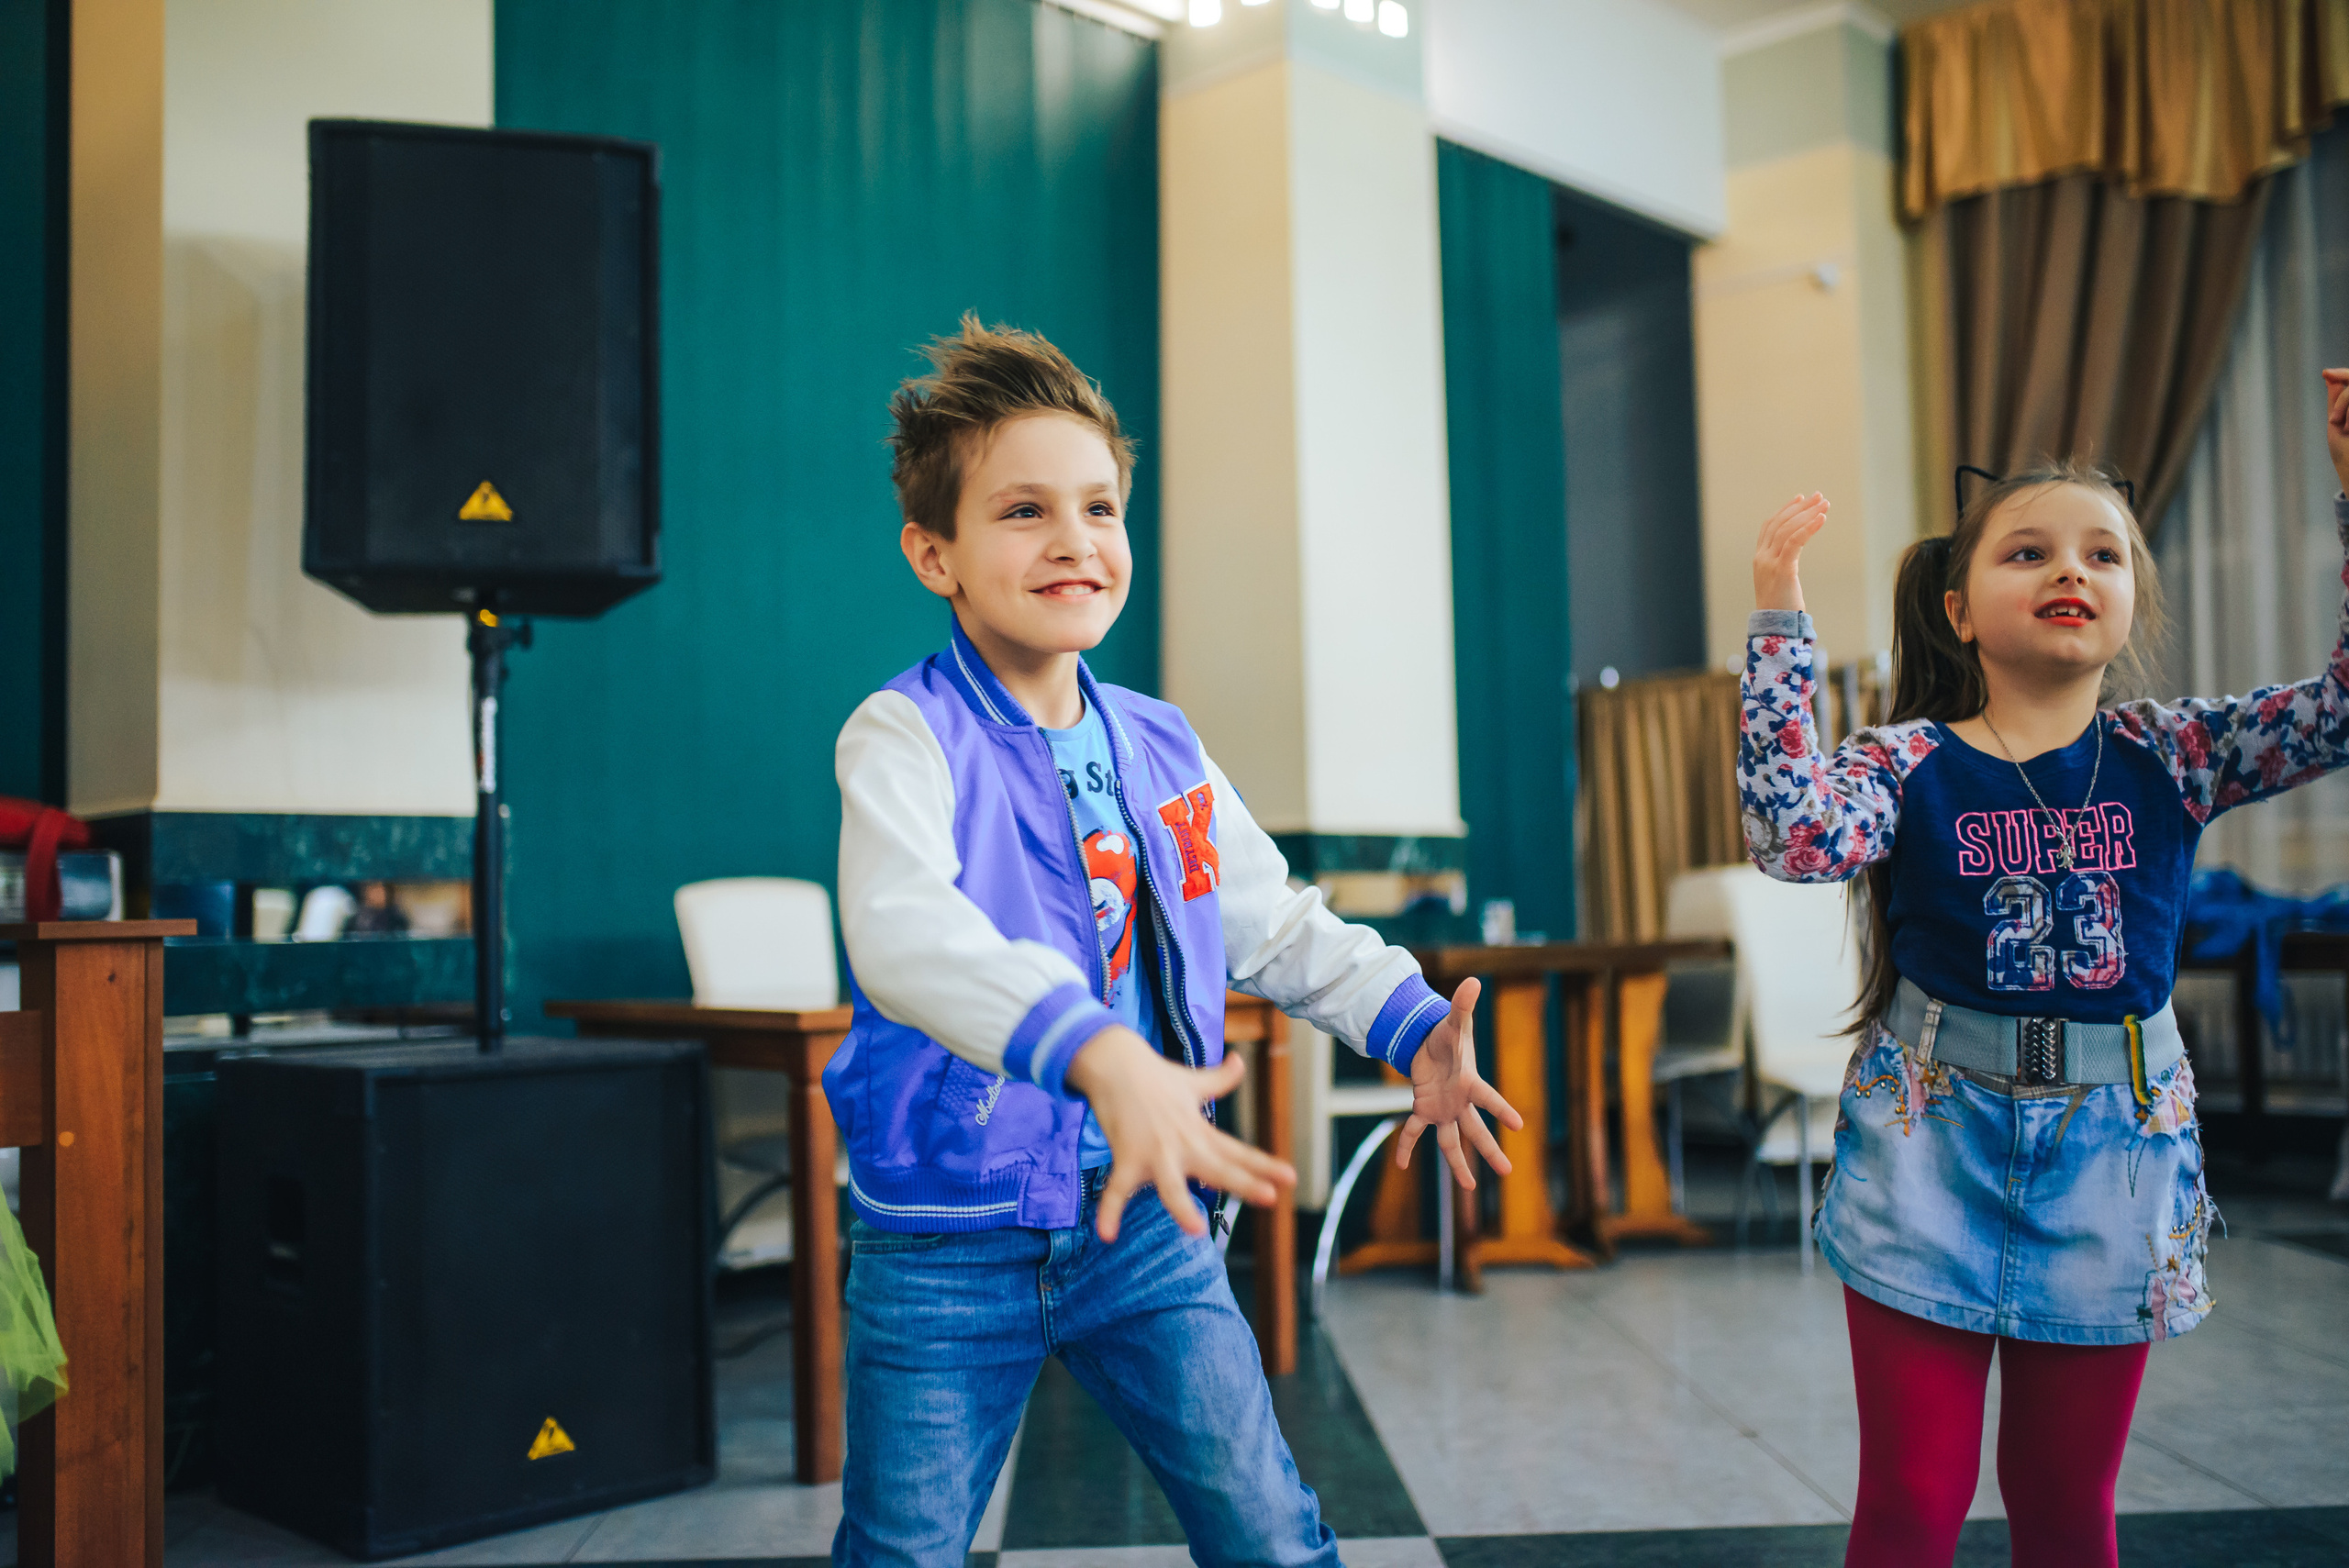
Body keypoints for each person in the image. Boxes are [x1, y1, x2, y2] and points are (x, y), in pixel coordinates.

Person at [825, 315, 1520, 1568]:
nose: (1075, 540)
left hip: (1148, 1219)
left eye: (1099, 506)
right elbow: (900, 932)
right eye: (1023, 510)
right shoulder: (901, 734)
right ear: (935, 553)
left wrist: (1410, 1019)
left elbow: (1274, 920)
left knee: (1267, 1529)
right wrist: (1091, 1048)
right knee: (902, 1551)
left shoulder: (1158, 741)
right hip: (943, 1234)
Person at [1739, 367, 2349, 1568]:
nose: (2072, 570)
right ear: (1958, 606)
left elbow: (2337, 712)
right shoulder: (1908, 760)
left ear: (2131, 604)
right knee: (1914, 1499)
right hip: (1930, 1137)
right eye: (2030, 552)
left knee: (2068, 1505)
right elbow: (1790, 834)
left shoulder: (2173, 752)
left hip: (2117, 1145)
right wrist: (1777, 615)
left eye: (2103, 555)